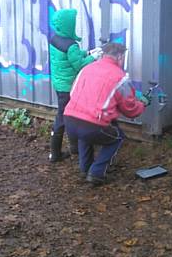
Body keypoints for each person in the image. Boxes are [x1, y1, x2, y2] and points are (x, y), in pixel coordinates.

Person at [63, 42, 149, 185]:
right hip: (92, 125)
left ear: (103, 54)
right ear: (120, 57)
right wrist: (143, 103)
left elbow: (73, 93)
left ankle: (85, 168)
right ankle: (96, 173)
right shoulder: (120, 78)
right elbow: (131, 110)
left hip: (69, 120)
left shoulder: (86, 69)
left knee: (84, 135)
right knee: (118, 137)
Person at [48, 8, 99, 163]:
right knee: (63, 118)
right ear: (68, 25)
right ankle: (55, 154)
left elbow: (71, 56)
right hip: (68, 87)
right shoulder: (71, 45)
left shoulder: (55, 39)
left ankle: (74, 148)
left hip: (59, 83)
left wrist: (88, 52)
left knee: (69, 115)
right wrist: (94, 57)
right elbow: (79, 65)